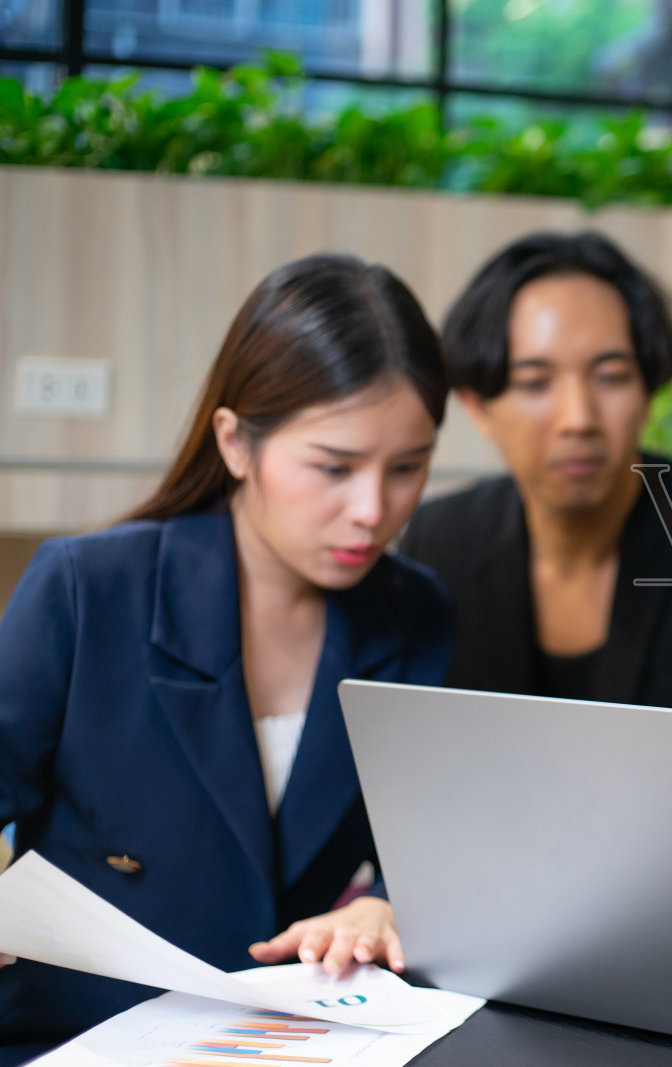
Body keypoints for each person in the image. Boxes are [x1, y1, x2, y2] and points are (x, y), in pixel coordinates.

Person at [0, 255, 454, 1060]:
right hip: (73, 1036)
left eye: (408, 467)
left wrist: (385, 905)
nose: (373, 509)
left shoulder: (417, 614)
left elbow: (436, 841)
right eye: (334, 466)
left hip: (288, 1038)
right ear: (236, 442)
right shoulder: (87, 587)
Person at [400, 231, 672, 785]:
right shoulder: (439, 542)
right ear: (477, 407)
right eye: (535, 382)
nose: (579, 418)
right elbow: (416, 772)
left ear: (648, 392)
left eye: (611, 377)